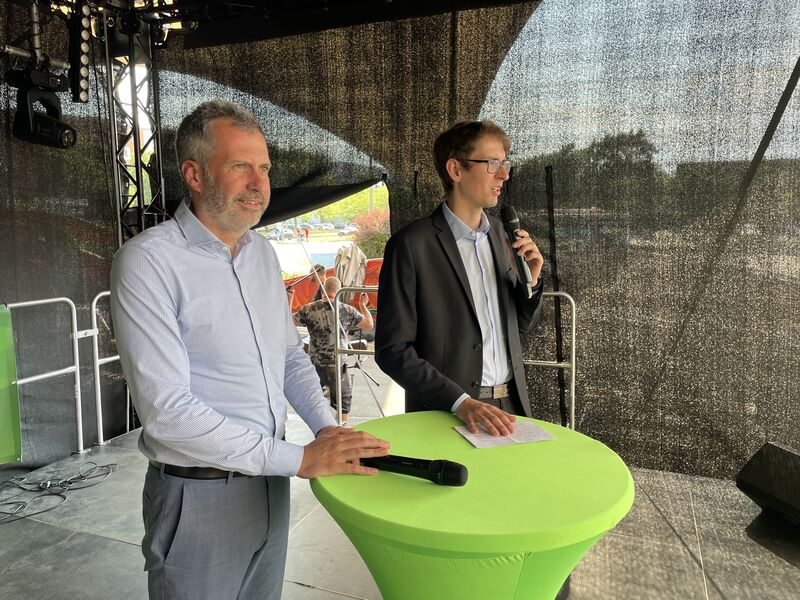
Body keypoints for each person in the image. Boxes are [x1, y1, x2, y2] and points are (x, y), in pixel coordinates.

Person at [110, 100, 389, 600]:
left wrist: (327, 429)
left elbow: (287, 357)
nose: (259, 183)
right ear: (193, 174)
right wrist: (298, 458)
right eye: (241, 166)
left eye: (263, 167)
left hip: (268, 486)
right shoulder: (148, 262)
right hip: (198, 493)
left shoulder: (261, 254)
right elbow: (168, 414)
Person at [375, 120, 545, 437]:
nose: (504, 174)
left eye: (505, 163)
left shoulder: (503, 234)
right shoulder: (411, 245)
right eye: (492, 163)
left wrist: (530, 285)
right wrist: (460, 402)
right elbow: (392, 350)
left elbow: (517, 329)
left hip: (512, 406)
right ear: (456, 170)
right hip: (445, 414)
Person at [294, 277, 373, 423]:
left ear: (322, 289)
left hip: (315, 363)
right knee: (343, 402)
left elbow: (288, 321)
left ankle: (319, 428)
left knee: (314, 399)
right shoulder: (347, 310)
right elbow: (369, 325)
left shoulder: (309, 309)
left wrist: (290, 297)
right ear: (339, 291)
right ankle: (341, 428)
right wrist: (363, 305)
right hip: (337, 363)